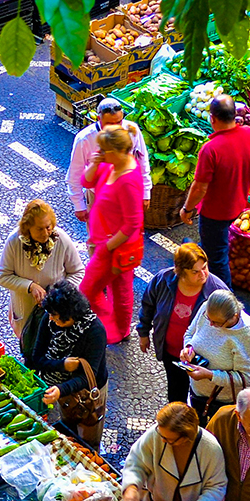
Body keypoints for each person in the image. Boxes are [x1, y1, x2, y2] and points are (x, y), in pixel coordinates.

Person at [118, 402, 228, 501]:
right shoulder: (157, 434)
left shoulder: (211, 449)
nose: (162, 440)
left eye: (169, 440)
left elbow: (217, 487)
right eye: (161, 435)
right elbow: (136, 462)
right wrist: (132, 487)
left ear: (186, 438)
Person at [180, 95, 250, 286]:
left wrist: (187, 209)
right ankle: (202, 248)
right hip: (239, 202)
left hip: (215, 213)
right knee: (217, 242)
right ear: (235, 115)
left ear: (212, 118)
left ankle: (226, 300)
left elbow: (200, 187)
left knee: (217, 260)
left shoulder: (211, 149)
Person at [21, 280, 109, 448]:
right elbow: (37, 358)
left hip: (88, 390)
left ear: (70, 315)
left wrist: (61, 389)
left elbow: (89, 375)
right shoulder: (49, 319)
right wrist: (62, 365)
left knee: (89, 438)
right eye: (50, 314)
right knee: (67, 432)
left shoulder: (95, 331)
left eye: (55, 316)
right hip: (61, 388)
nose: (51, 319)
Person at [137, 243, 227, 404]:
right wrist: (143, 333)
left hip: (201, 358)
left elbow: (229, 325)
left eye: (205, 267)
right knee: (175, 392)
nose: (203, 274)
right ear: (180, 271)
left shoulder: (217, 291)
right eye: (195, 271)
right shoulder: (163, 280)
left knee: (200, 396)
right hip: (171, 353)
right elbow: (148, 305)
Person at [79, 127, 145, 345]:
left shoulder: (127, 180)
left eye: (104, 150)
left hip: (113, 247)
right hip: (105, 243)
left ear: (117, 151)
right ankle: (119, 330)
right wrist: (95, 163)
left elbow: (133, 222)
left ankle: (111, 329)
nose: (100, 152)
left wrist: (107, 247)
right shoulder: (111, 165)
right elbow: (86, 182)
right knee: (119, 288)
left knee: (88, 289)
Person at [0, 200, 85, 340]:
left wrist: (58, 293)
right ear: (28, 228)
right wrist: (30, 286)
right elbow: (3, 276)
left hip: (56, 313)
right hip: (25, 312)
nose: (45, 233)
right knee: (29, 347)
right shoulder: (14, 242)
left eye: (48, 227)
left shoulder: (61, 239)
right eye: (39, 229)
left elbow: (77, 271)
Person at [179, 289, 250, 423]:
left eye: (217, 323)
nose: (211, 325)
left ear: (234, 316)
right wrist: (188, 348)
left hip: (221, 403)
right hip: (196, 393)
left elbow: (246, 378)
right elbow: (189, 333)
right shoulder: (207, 308)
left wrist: (210, 375)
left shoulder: (248, 335)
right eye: (209, 319)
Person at [67, 98, 151, 224]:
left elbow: (143, 161)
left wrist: (145, 192)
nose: (115, 128)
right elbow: (75, 173)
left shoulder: (132, 130)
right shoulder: (84, 139)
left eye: (119, 122)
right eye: (109, 124)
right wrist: (79, 205)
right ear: (98, 119)